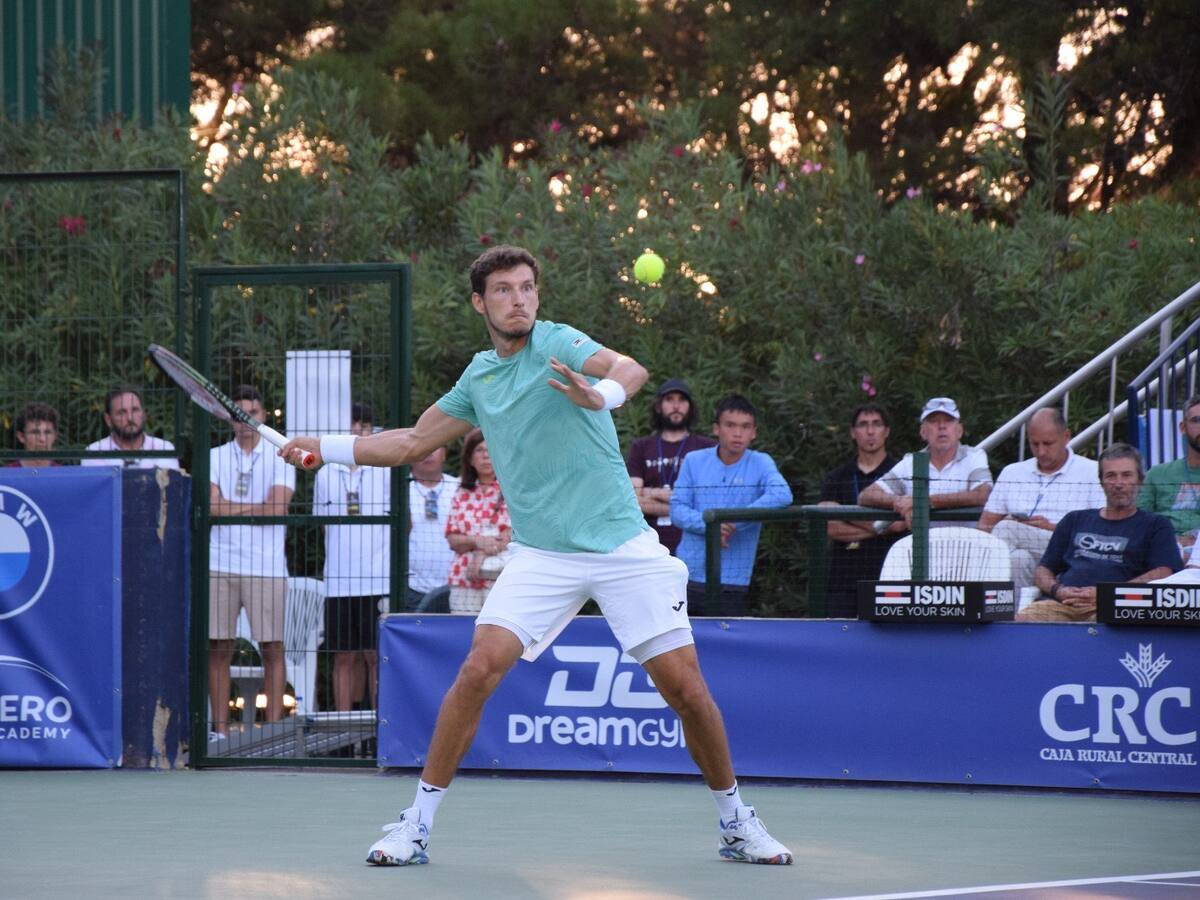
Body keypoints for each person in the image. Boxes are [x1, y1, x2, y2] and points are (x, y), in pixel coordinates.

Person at [279, 244, 792, 867]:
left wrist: (599, 395)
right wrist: (324, 449)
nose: (518, 298)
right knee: (476, 672)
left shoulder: (559, 342)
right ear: (480, 302)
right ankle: (415, 824)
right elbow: (412, 441)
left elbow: (627, 369)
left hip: (623, 547)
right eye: (503, 290)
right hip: (542, 555)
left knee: (686, 690)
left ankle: (737, 820)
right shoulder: (478, 377)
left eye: (526, 287)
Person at [208, 385, 296, 737]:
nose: (246, 421)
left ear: (262, 416)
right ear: (231, 419)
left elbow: (278, 510)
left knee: (272, 648)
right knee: (217, 647)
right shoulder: (214, 457)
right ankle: (220, 729)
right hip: (220, 563)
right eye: (239, 414)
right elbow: (212, 507)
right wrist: (254, 509)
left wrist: (231, 507)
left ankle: (272, 730)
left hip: (267, 566)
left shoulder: (281, 454)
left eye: (253, 414)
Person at [1019, 443, 1180, 623]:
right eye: (1111, 475)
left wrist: (1109, 594)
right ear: (1101, 481)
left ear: (1140, 480)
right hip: (1061, 603)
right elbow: (1043, 569)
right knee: (1019, 621)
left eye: (1126, 475)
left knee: (1105, 628)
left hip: (1116, 606)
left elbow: (1164, 571)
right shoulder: (1075, 519)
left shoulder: (1156, 525)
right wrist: (1058, 589)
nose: (1119, 483)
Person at [670, 394, 793, 617]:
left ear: (754, 432)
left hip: (733, 581)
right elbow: (677, 510)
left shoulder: (761, 461)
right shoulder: (693, 460)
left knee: (722, 649)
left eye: (745, 427)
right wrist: (709, 524)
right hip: (687, 575)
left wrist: (732, 522)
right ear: (716, 428)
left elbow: (783, 494)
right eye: (730, 425)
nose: (738, 433)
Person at [314, 403, 389, 712]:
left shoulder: (384, 468)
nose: (358, 430)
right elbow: (321, 527)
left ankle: (377, 729)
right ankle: (342, 733)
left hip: (377, 578)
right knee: (343, 656)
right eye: (353, 425)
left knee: (375, 655)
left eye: (365, 425)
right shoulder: (325, 472)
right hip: (339, 581)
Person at [977, 408, 1105, 590]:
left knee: (1006, 529)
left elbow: (1102, 530)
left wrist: (1052, 527)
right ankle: (1019, 612)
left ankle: (980, 596)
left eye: (1048, 443)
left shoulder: (1092, 472)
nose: (1041, 451)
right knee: (1018, 559)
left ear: (1066, 437)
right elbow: (984, 527)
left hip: (1071, 548)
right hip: (1024, 551)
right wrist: (1019, 525)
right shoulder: (1012, 472)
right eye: (1034, 444)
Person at [816, 403, 901, 617]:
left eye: (877, 424)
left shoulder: (901, 473)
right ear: (853, 432)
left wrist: (845, 515)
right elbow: (831, 527)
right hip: (844, 579)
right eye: (863, 425)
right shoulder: (838, 477)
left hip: (888, 577)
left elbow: (903, 524)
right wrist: (883, 526)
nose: (870, 431)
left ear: (887, 431)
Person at [858, 396, 992, 528]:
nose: (942, 426)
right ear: (923, 432)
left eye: (949, 420)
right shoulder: (911, 462)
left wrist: (924, 501)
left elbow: (984, 495)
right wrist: (899, 501)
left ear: (959, 431)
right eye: (933, 421)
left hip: (968, 545)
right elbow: (867, 495)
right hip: (924, 547)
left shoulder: (974, 456)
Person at [625, 378, 716, 554]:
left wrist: (651, 493)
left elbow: (708, 498)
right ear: (658, 407)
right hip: (649, 542)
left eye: (682, 400)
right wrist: (684, 507)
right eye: (669, 400)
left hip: (694, 541)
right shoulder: (641, 447)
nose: (676, 406)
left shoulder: (706, 447)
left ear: (690, 407)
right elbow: (632, 500)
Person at [444, 428, 512, 614]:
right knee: (462, 635)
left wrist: (480, 554)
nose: (486, 456)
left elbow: (514, 534)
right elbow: (453, 539)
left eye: (491, 450)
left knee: (498, 637)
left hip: (501, 578)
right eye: (479, 450)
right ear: (470, 458)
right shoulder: (461, 491)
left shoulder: (512, 489)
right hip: (464, 577)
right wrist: (477, 542)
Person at [1138, 394, 1200, 555]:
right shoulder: (1158, 474)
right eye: (1196, 420)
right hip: (1165, 550)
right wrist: (1173, 541)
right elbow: (1139, 523)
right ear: (1183, 428)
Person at [407, 445, 459, 612]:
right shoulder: (397, 489)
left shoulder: (460, 487)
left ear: (444, 454)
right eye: (422, 448)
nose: (428, 452)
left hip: (456, 586)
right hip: (411, 587)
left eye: (435, 447)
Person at [81, 385, 179, 469]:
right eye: (121, 413)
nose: (130, 418)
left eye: (135, 410)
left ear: (144, 414)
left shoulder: (164, 449)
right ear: (108, 420)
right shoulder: (94, 453)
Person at [6, 402, 65, 468]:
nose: (42, 439)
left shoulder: (64, 474)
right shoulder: (5, 474)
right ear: (21, 437)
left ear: (55, 436)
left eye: (47, 432)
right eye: (35, 433)